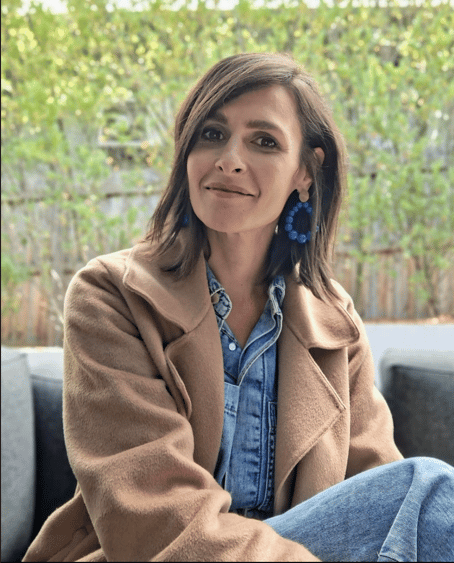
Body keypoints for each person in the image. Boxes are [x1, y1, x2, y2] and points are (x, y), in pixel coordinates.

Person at [23, 53, 453, 562]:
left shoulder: (335, 324)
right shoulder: (111, 296)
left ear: (306, 172)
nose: (229, 159)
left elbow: (376, 501)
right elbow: (154, 516)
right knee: (430, 490)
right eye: (212, 134)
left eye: (264, 141)